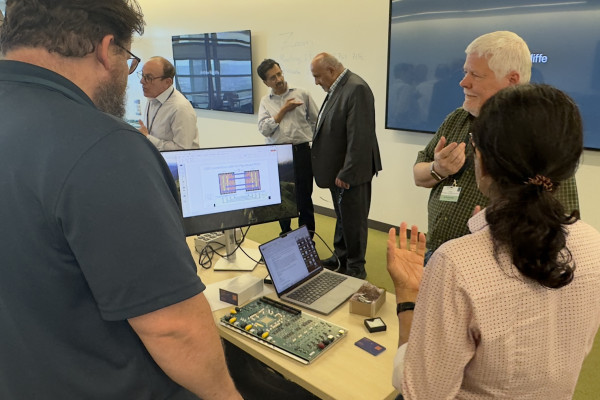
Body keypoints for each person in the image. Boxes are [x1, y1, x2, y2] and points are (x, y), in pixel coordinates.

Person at [0, 1, 241, 399]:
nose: (133, 79)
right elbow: (174, 328)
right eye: (130, 64)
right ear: (105, 48)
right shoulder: (104, 147)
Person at [388, 84, 600, 399]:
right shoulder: (593, 244)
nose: (464, 82)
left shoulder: (456, 264)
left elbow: (420, 390)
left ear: (482, 162)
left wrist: (408, 299)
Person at [413, 31, 579, 261]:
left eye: (476, 75)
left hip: (495, 266)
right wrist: (438, 169)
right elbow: (418, 174)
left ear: (512, 80)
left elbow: (559, 223)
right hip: (438, 253)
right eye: (465, 72)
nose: (463, 82)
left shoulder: (540, 136)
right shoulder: (457, 119)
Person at [310, 52, 382, 279]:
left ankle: (355, 269)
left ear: (331, 71)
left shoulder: (356, 88)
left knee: (354, 221)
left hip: (351, 173)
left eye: (318, 76)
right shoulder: (339, 88)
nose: (316, 82)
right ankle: (340, 258)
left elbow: (360, 137)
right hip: (338, 170)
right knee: (342, 218)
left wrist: (347, 172)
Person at [257, 59, 317, 236]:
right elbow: (264, 130)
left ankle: (307, 239)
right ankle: (286, 235)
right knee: (282, 200)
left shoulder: (302, 94)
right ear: (266, 82)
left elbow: (316, 121)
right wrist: (283, 111)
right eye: (272, 78)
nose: (278, 79)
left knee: (305, 199)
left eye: (279, 74)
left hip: (302, 152)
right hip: (277, 155)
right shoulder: (265, 101)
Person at [138, 56, 200, 150]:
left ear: (167, 82)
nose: (142, 81)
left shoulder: (180, 108)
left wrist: (147, 138)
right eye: (142, 75)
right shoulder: (152, 98)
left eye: (149, 78)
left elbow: (182, 150)